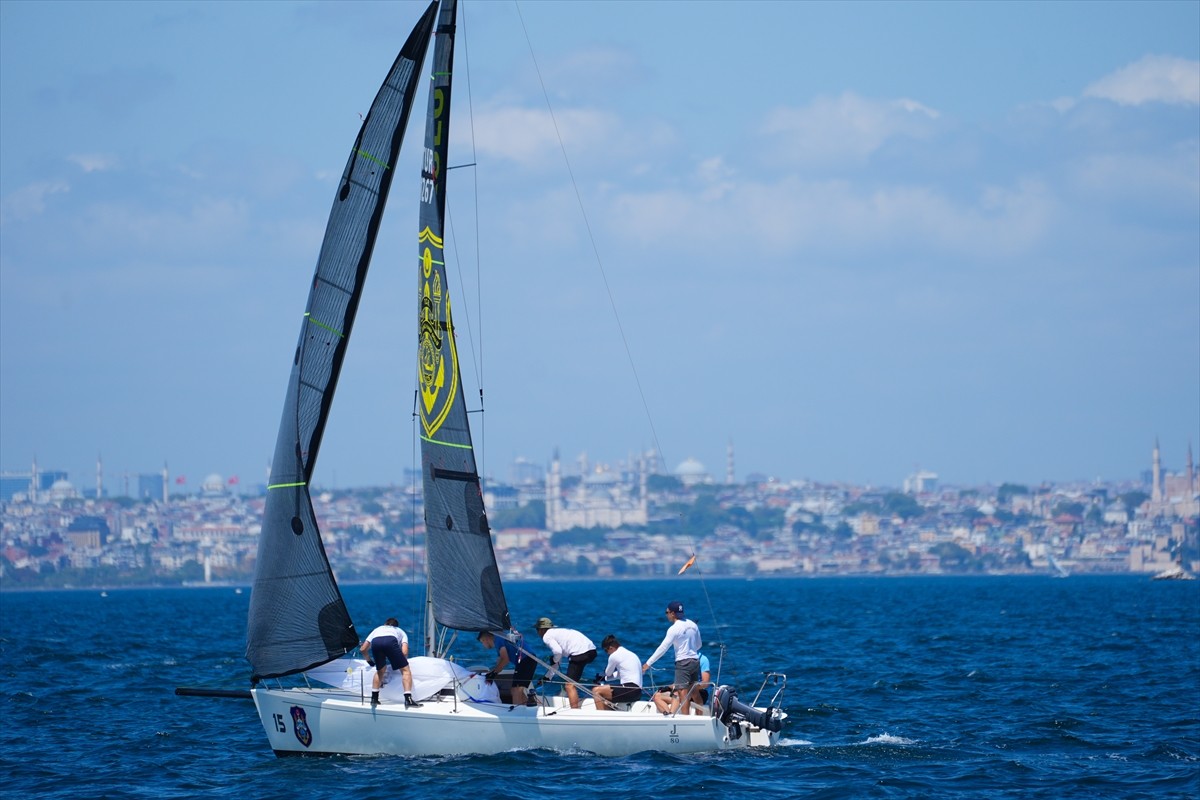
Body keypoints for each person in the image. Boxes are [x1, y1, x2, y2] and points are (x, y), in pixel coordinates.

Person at [642, 600, 701, 715]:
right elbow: (699, 645)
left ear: (672, 613)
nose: (666, 615)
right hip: (695, 661)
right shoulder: (693, 625)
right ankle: (699, 716)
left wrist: (647, 664)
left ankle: (685, 720)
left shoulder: (674, 629)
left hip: (683, 663)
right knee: (694, 691)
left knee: (682, 693)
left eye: (667, 612)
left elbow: (663, 648)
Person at [534, 617, 596, 709]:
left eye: (537, 629)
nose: (537, 632)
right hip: (592, 651)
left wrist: (553, 660)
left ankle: (575, 711)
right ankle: (574, 704)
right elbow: (558, 659)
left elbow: (557, 652)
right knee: (572, 683)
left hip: (579, 653)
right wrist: (547, 677)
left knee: (569, 685)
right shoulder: (557, 633)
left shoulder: (546, 636)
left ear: (542, 630)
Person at [360, 617, 422, 708]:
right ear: (396, 626)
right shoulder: (400, 631)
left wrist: (369, 661)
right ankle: (408, 699)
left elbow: (363, 649)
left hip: (376, 642)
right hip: (390, 641)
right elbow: (404, 652)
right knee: (405, 671)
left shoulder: (377, 629)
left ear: (385, 624)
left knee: (380, 671)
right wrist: (398, 661)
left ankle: (374, 699)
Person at [477, 629, 537, 706]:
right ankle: (527, 709)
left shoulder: (498, 639)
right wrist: (492, 673)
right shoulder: (499, 639)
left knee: (516, 690)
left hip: (526, 659)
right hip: (528, 659)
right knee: (518, 690)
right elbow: (500, 661)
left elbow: (505, 659)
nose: (483, 645)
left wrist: (494, 674)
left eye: (482, 641)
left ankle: (517, 712)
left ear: (486, 638)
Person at [592, 634, 643, 711]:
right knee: (605, 699)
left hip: (629, 689)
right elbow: (619, 674)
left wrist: (600, 676)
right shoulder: (630, 654)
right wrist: (605, 679)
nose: (607, 653)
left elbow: (608, 673)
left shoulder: (614, 655)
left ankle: (601, 717)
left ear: (611, 648)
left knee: (596, 691)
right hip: (637, 692)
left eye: (606, 650)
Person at [653, 649, 711, 714]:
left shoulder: (703, 659)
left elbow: (705, 683)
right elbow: (679, 682)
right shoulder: (682, 658)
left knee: (678, 693)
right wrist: (667, 688)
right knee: (657, 696)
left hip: (698, 692)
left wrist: (689, 687)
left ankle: (672, 714)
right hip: (681, 691)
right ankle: (667, 714)